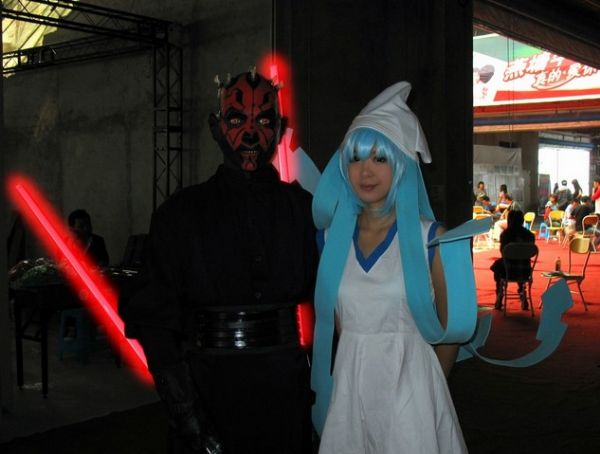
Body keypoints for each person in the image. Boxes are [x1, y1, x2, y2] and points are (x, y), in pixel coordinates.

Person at [119, 68, 318, 454]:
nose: (250, 133)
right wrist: (185, 412)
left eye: (264, 121)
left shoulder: (304, 210)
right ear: (216, 127)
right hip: (208, 390)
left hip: (286, 393)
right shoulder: (180, 214)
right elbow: (154, 319)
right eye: (237, 119)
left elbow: (336, 305)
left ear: (279, 128)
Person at [311, 81, 467, 453]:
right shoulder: (330, 240)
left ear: (400, 165)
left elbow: (451, 332)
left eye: (380, 158)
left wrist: (427, 389)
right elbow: (343, 325)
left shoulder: (434, 239)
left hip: (413, 394)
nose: (365, 171)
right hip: (350, 394)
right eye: (356, 157)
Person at [490, 210, 535, 310]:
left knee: (497, 266)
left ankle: (499, 293)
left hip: (508, 270)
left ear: (509, 220)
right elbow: (532, 253)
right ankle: (522, 291)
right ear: (522, 220)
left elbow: (503, 252)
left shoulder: (505, 234)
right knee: (519, 263)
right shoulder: (529, 235)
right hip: (525, 270)